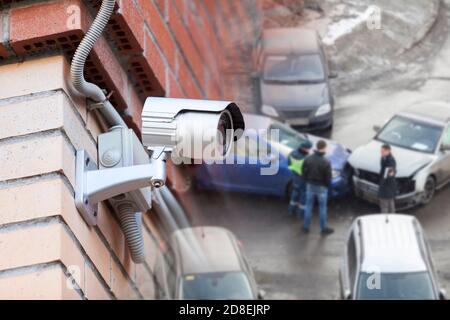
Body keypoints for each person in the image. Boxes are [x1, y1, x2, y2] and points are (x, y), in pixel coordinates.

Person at [302, 140, 334, 236]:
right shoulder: (326, 162)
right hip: (321, 187)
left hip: (310, 185)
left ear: (316, 147)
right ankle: (323, 227)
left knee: (308, 206)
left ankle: (306, 227)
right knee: (322, 208)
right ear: (324, 148)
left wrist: (307, 180)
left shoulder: (308, 158)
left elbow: (303, 171)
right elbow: (328, 177)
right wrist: (327, 186)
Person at [288, 140, 313, 218]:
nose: (309, 150)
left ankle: (291, 210)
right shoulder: (306, 159)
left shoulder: (292, 154)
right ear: (305, 148)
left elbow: (289, 164)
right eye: (309, 148)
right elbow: (309, 171)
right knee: (303, 196)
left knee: (295, 193)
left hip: (295, 176)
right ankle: (301, 214)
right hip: (303, 179)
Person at [379, 144, 397, 213]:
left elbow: (389, 173)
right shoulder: (383, 157)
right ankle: (392, 218)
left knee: (385, 206)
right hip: (388, 187)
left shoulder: (391, 160)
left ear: (388, 151)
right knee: (390, 204)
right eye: (381, 151)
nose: (381, 153)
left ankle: (385, 220)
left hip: (387, 187)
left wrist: (382, 184)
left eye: (383, 151)